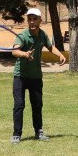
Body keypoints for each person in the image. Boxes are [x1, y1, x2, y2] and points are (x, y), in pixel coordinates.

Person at [11, 8, 65, 144]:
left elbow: (50, 46)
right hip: (20, 76)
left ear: (40, 20)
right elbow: (15, 51)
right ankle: (17, 134)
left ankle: (39, 132)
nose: (32, 21)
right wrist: (24, 54)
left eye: (35, 19)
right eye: (29, 19)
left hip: (35, 76)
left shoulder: (42, 35)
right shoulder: (22, 35)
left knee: (37, 105)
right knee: (19, 105)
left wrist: (60, 55)